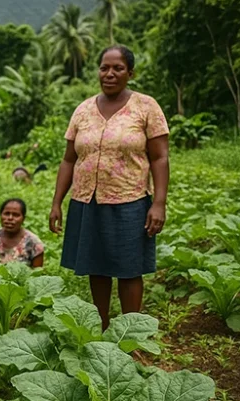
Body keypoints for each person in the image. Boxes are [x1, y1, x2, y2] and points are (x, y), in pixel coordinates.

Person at [49, 45, 170, 330]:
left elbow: (159, 157)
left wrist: (159, 203)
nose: (110, 74)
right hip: (86, 200)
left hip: (130, 200)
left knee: (129, 270)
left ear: (130, 72)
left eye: (118, 68)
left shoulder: (146, 107)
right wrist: (57, 202)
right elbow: (69, 160)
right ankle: (101, 328)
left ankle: (131, 334)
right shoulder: (83, 110)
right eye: (105, 67)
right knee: (96, 267)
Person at [0, 198, 44, 267]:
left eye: (16, 215)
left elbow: (37, 274)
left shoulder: (34, 243)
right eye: (6, 214)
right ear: (0, 216)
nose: (10, 218)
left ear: (23, 218)